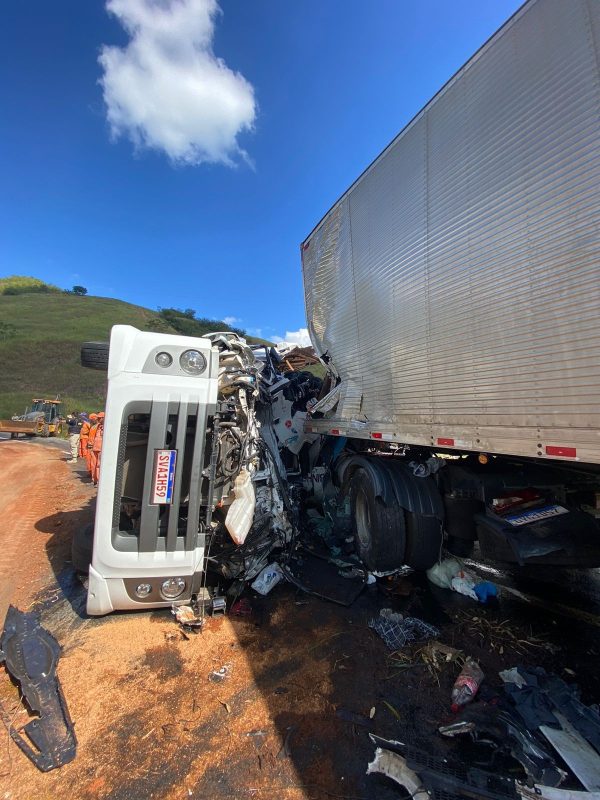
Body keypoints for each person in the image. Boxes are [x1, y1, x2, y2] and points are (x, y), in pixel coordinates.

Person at [91, 412, 105, 485]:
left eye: (100, 418)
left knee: (99, 465)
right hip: (95, 448)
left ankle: (99, 481)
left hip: (101, 449)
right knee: (94, 464)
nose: (98, 419)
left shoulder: (107, 427)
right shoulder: (98, 426)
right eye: (98, 418)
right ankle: (94, 480)